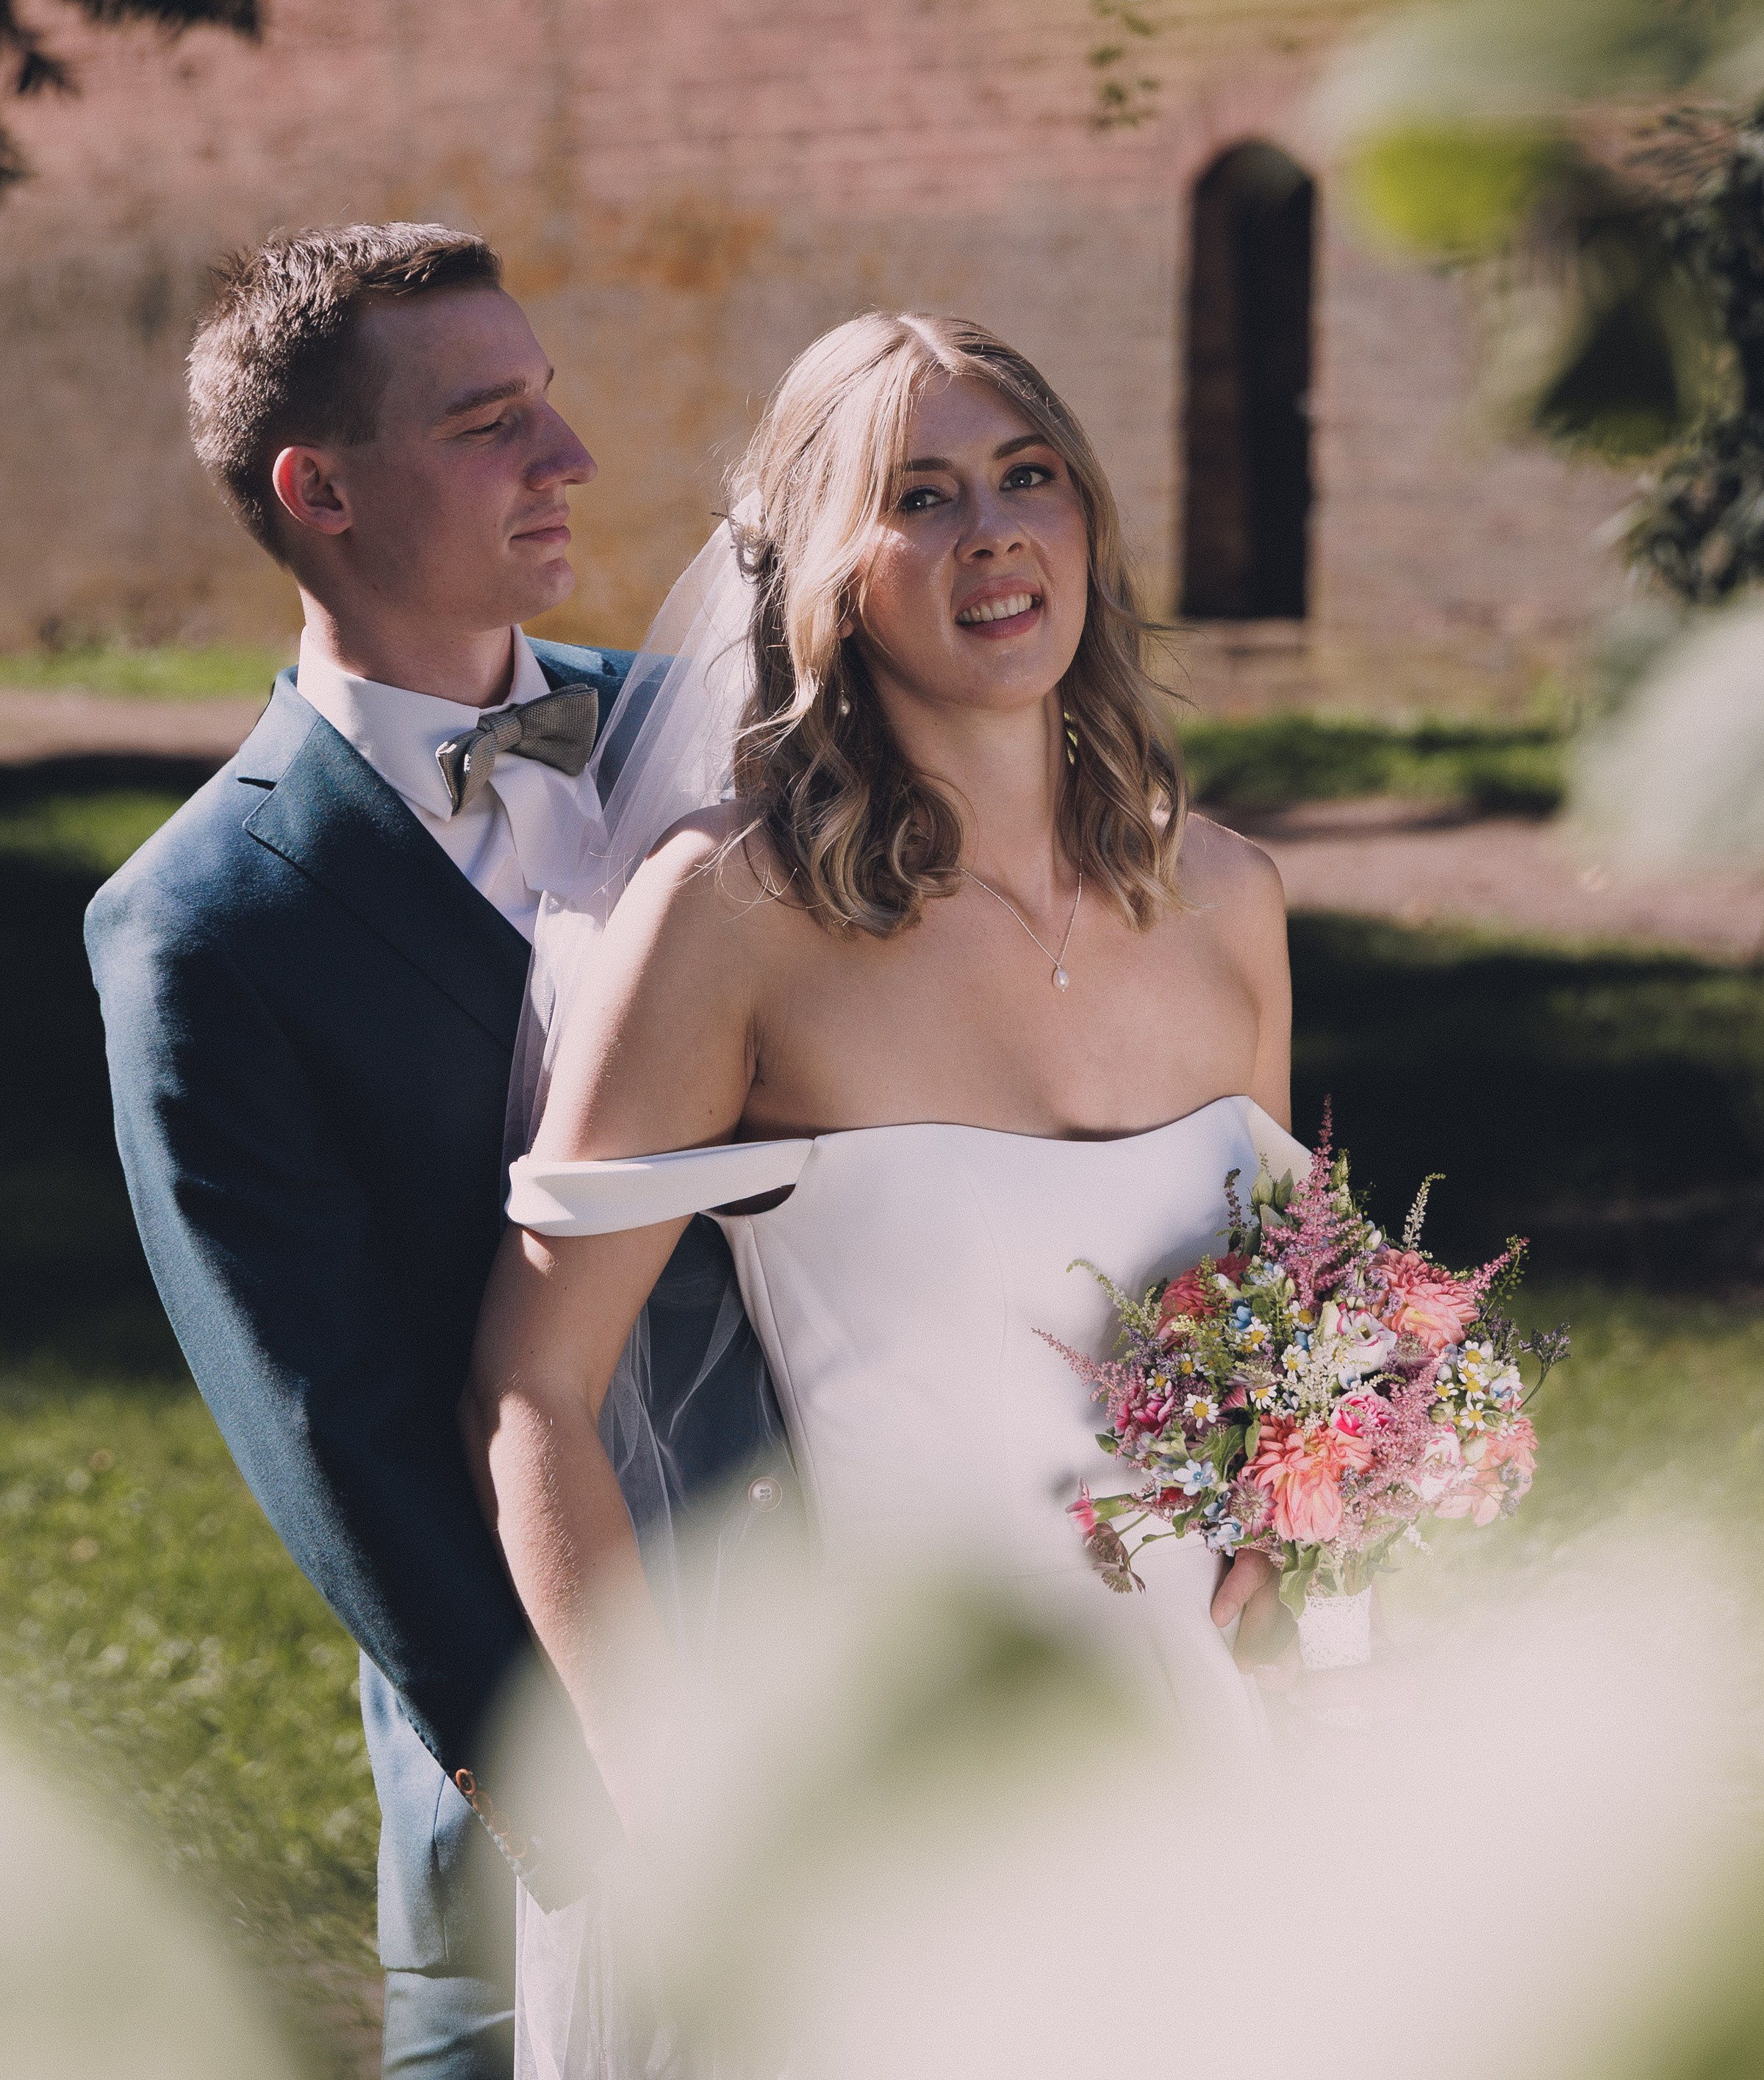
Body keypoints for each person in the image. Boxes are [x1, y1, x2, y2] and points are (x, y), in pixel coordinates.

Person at [464, 311, 1302, 2074]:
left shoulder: (1228, 899)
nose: (992, 533)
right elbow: (534, 1390)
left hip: (1225, 1747)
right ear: (826, 580)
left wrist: (1307, 1525)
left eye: (1027, 476)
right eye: (917, 496)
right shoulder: (733, 921)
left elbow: (1279, 1335)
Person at [85, 222, 788, 2080]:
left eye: (546, 403)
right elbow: (329, 1430)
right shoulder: (201, 926)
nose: (566, 461)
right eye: (492, 422)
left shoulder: (712, 745)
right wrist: (590, 1812)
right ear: (319, 491)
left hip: (842, 1623)